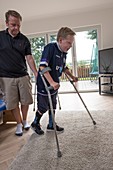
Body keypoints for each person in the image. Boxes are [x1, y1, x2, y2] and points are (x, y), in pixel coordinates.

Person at [31, 27, 78, 135]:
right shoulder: (50, 48)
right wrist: (51, 82)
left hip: (54, 83)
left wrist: (72, 77)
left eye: (71, 44)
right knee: (43, 107)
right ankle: (35, 123)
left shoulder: (63, 53)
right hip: (44, 84)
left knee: (53, 104)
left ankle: (51, 124)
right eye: (69, 43)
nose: (70, 46)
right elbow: (43, 67)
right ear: (60, 40)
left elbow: (64, 68)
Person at [0, 10, 37, 136]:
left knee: (25, 101)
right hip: (6, 78)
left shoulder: (24, 39)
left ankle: (25, 120)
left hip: (23, 75)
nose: (16, 28)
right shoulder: (0, 37)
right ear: (6, 23)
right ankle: (19, 123)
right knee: (13, 103)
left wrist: (36, 73)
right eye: (13, 25)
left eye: (18, 25)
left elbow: (29, 58)